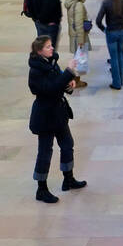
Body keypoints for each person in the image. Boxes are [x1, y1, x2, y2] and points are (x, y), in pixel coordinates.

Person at [27, 34, 86, 202]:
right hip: (45, 116)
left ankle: (68, 179)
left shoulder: (51, 62)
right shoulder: (35, 72)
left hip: (59, 113)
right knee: (45, 152)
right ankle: (41, 189)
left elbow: (59, 83)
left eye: (51, 45)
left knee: (67, 144)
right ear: (39, 51)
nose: (52, 48)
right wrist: (68, 72)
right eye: (47, 46)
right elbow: (50, 88)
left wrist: (69, 84)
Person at [63, 0, 90, 89]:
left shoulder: (72, 2)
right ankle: (75, 81)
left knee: (77, 57)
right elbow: (79, 23)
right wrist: (81, 39)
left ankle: (74, 79)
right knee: (79, 59)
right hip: (78, 36)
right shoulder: (78, 4)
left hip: (73, 34)